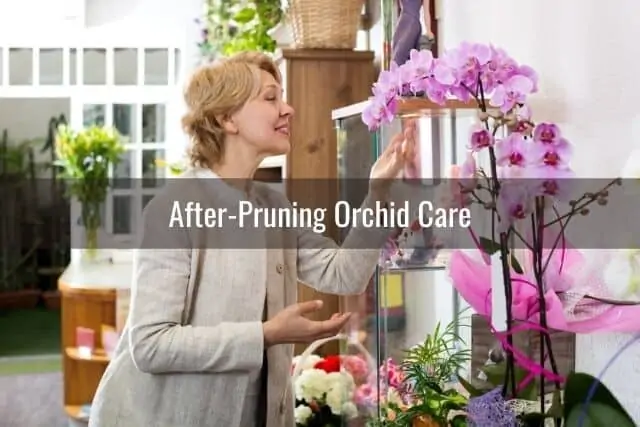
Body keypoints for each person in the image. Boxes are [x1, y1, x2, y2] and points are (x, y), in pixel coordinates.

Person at [88, 51, 416, 427]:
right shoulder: (172, 209)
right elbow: (151, 346)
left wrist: (377, 193)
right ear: (226, 118)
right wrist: (265, 335)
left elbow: (343, 274)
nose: (289, 108)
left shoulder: (272, 205)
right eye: (270, 97)